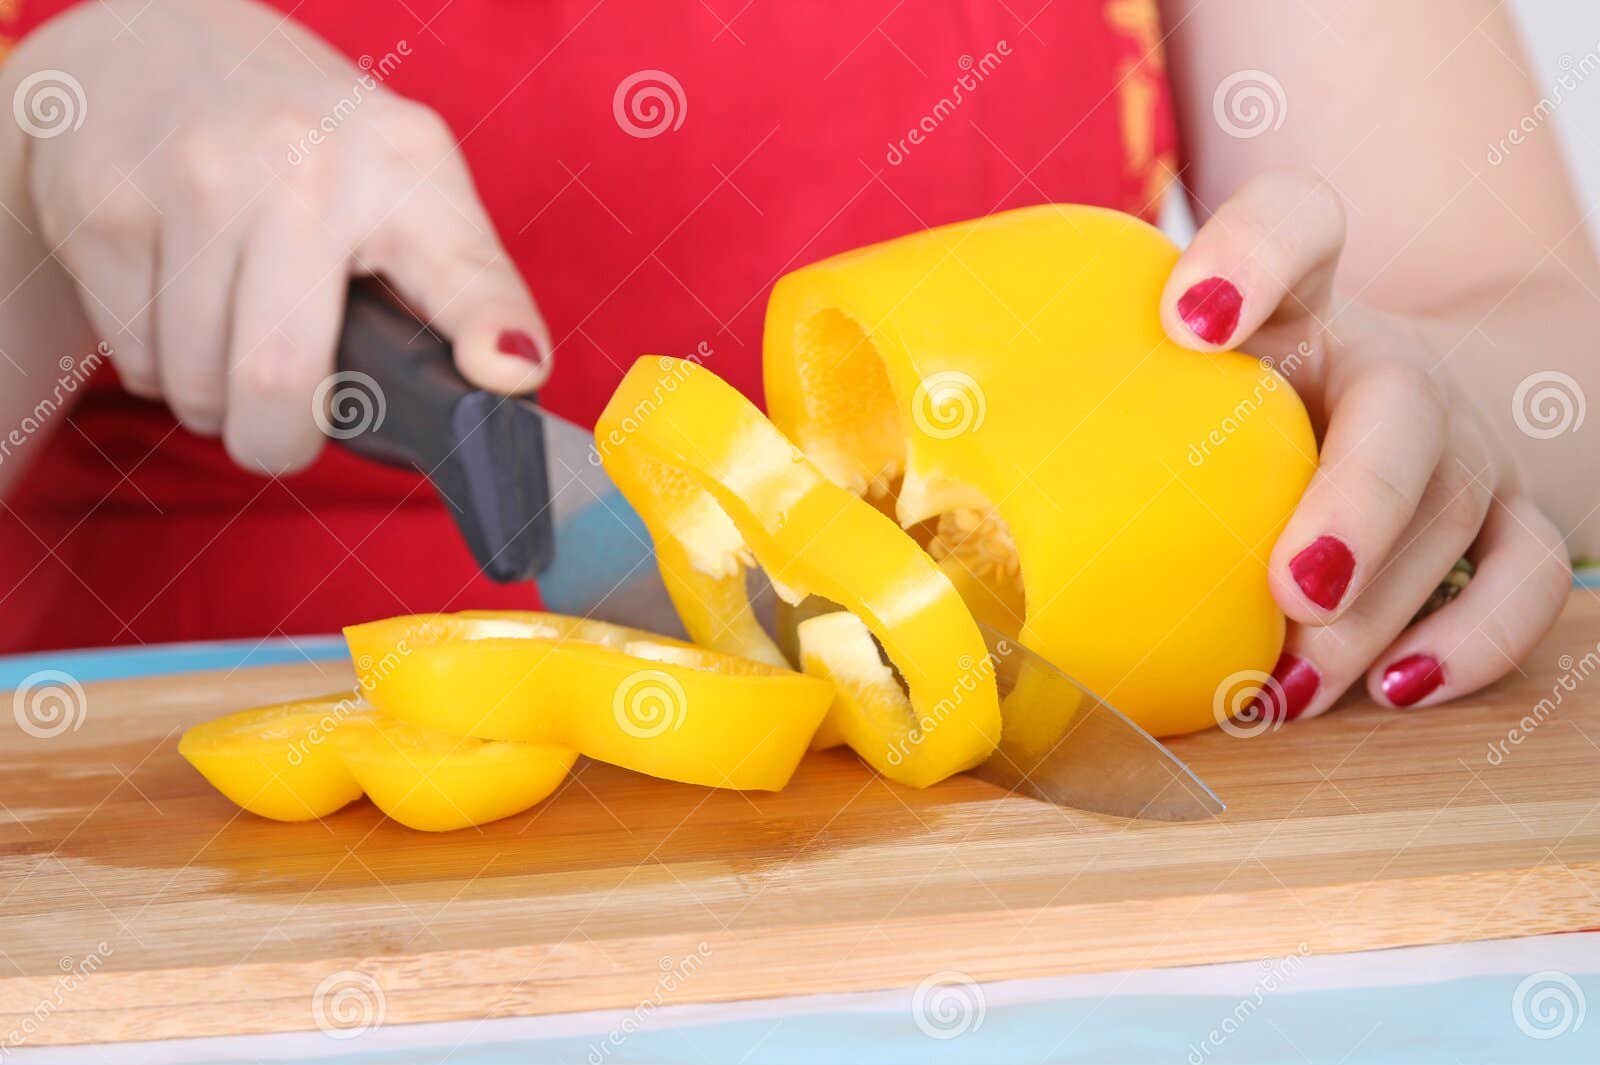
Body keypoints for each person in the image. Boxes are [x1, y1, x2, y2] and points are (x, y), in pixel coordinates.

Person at [0, 0, 1592, 723]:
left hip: (1001, 949)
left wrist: (1429, 413)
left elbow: (1535, 332)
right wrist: (45, 133)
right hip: (223, 939)